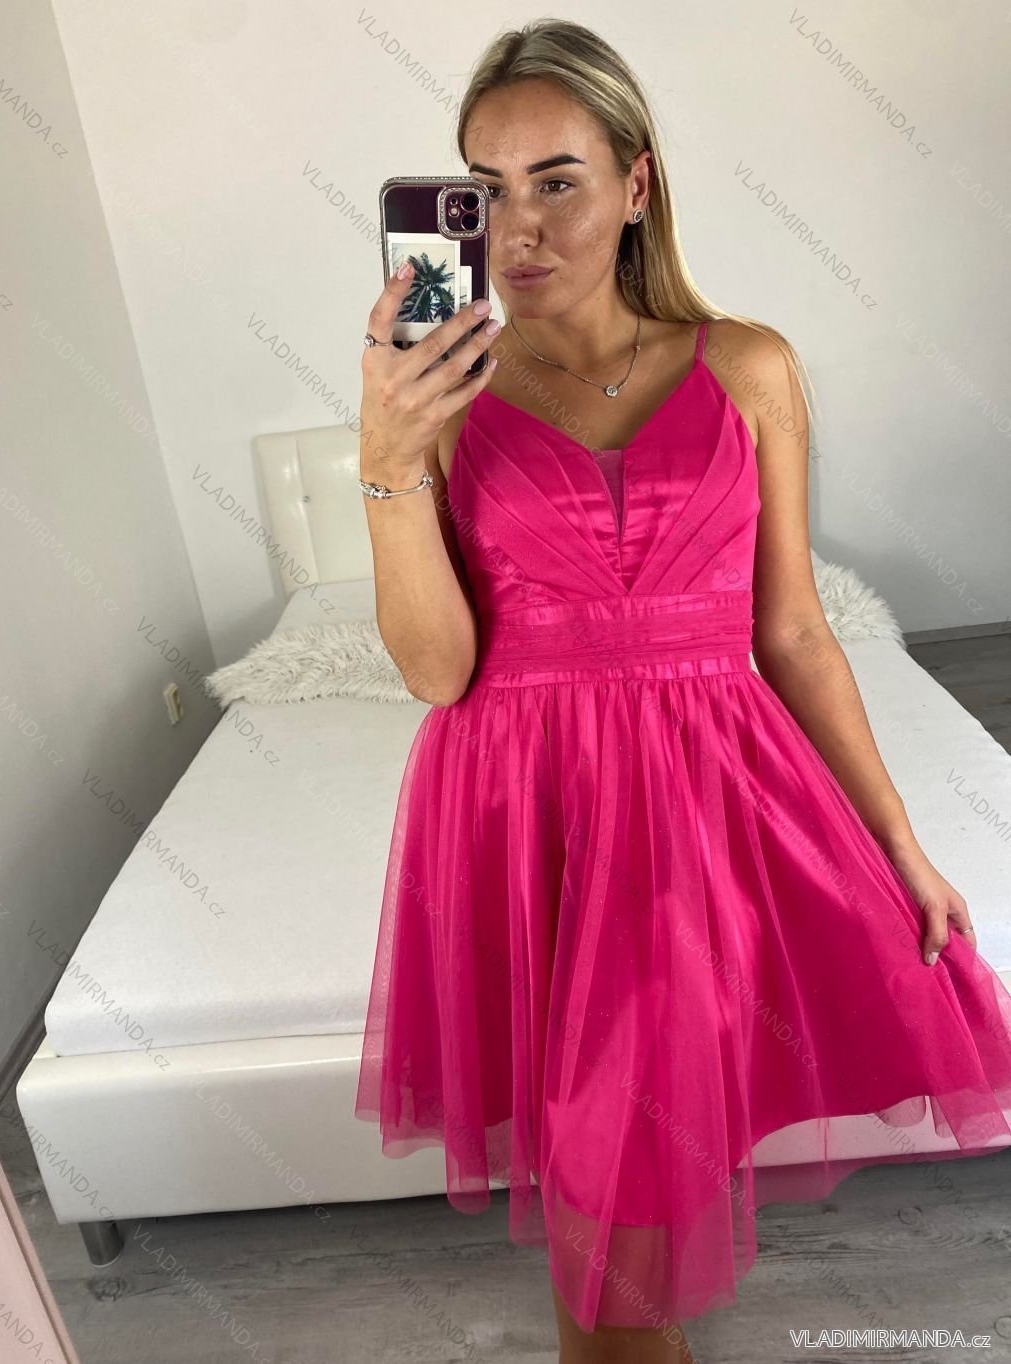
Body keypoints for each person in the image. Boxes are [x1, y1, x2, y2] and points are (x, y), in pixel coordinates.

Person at [354, 19, 1011, 1363]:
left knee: (628, 1164)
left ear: (636, 183)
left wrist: (896, 841)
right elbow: (435, 668)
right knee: (607, 1175)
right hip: (527, 813)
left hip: (709, 804)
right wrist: (385, 453)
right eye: (484, 187)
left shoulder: (748, 366)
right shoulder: (438, 395)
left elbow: (794, 630)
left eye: (558, 179)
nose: (518, 225)